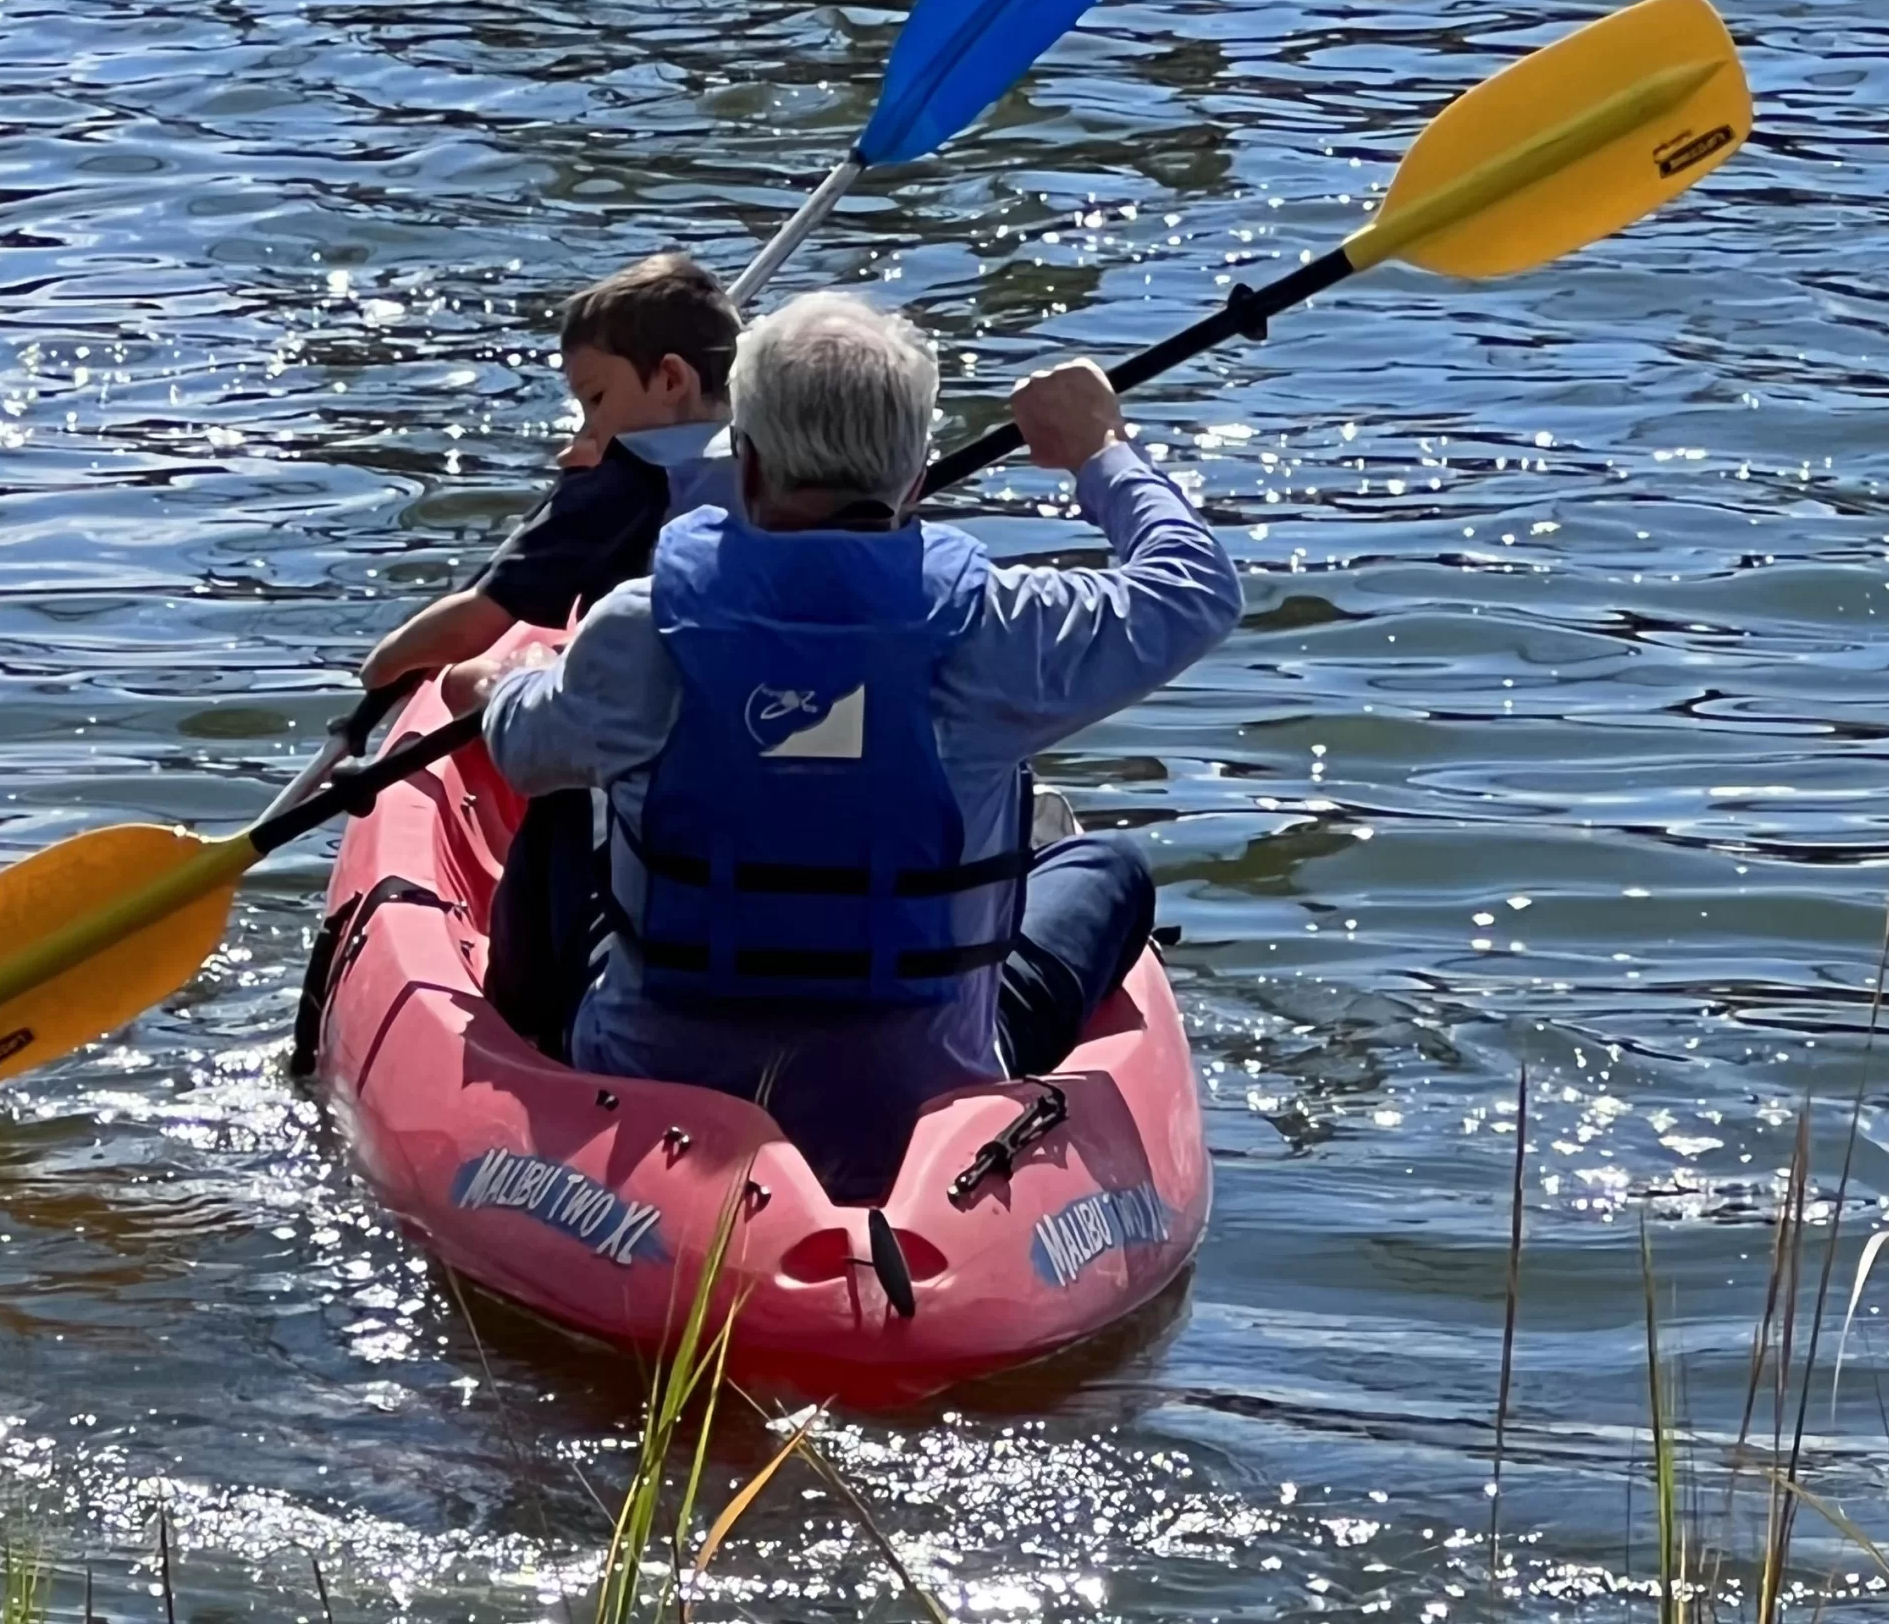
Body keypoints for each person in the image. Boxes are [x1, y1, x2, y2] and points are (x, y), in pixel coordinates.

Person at [451, 290, 1244, 1202]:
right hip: (920, 1090)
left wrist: (507, 686)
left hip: (651, 1072)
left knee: (567, 793)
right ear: (913, 480)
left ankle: (527, 1054)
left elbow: (521, 752)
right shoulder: (997, 629)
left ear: (744, 465)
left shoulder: (642, 626)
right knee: (1109, 869)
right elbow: (1195, 591)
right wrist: (1100, 450)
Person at [363, 252, 740, 1055]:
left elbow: (484, 615)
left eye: (596, 400)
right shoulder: (785, 458)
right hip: (742, 730)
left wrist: (383, 670)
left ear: (670, 378)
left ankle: (526, 1010)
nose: (588, 428)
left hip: (632, 732)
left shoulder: (621, 484)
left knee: (553, 787)